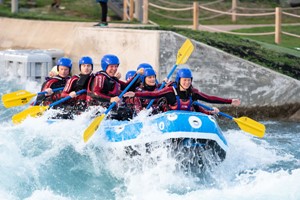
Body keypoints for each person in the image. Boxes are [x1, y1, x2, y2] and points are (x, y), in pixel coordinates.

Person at [124, 68, 240, 114]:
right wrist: (135, 93)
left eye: (189, 80)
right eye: (184, 80)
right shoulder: (170, 91)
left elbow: (209, 98)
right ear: (179, 80)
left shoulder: (193, 92)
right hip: (169, 122)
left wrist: (230, 101)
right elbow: (153, 94)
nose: (187, 83)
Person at [87, 54, 141, 120]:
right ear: (105, 67)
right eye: (111, 66)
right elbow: (95, 94)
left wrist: (136, 75)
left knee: (128, 113)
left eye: (116, 66)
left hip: (109, 110)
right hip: (97, 110)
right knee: (126, 113)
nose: (114, 69)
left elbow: (126, 87)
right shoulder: (100, 77)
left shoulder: (113, 79)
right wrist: (110, 99)